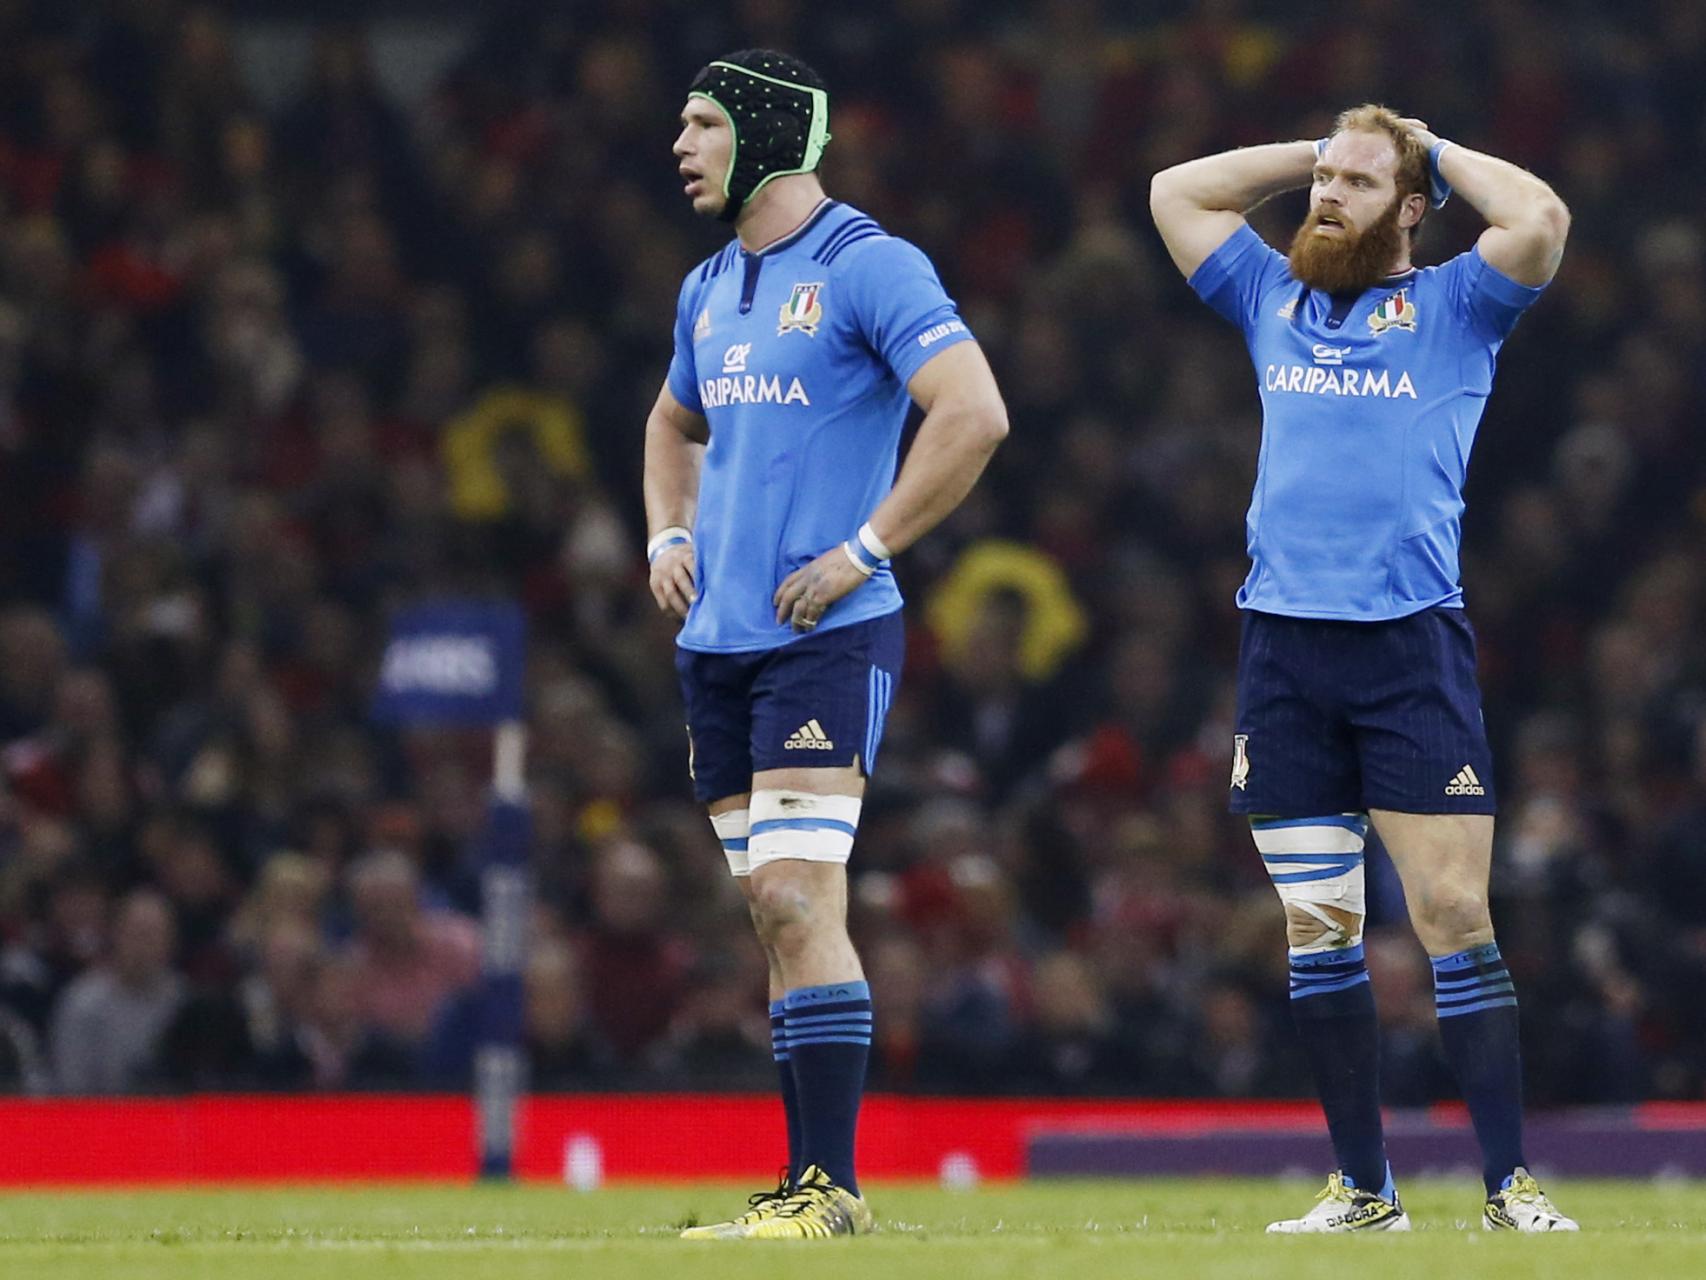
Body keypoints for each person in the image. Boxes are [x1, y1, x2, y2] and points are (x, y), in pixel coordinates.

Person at [1150, 105, 1575, 1233]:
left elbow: (1536, 216)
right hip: (1281, 648)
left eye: (1354, 184)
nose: (1324, 197)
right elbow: (1172, 192)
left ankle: (1506, 1185)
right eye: (1319, 181)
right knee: (1317, 923)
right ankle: (1362, 1190)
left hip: (1406, 647)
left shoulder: (1456, 306)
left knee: (1448, 909)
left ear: (1413, 207)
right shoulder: (1267, 296)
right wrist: (1320, 154)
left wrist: (1425, 150)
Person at [644, 49, 1007, 1238]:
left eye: (702, 124)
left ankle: (830, 1187)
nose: (683, 146)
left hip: (826, 630)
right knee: (771, 909)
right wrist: (664, 532)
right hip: (719, 641)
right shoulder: (706, 288)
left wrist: (864, 547)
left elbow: (973, 410)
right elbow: (669, 420)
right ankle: (805, 1181)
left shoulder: (868, 263)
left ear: (758, 134)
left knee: (798, 897)